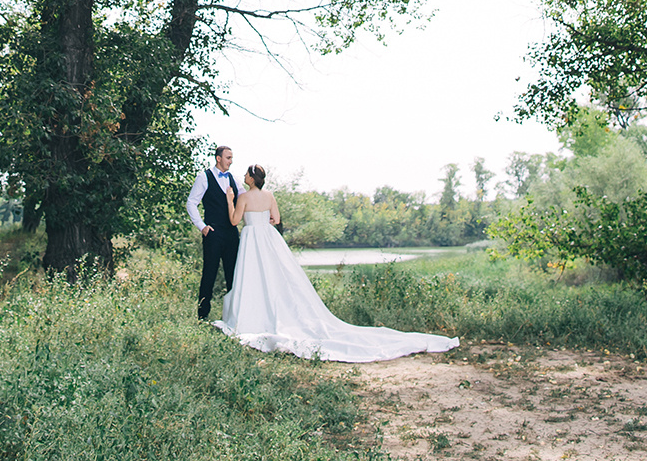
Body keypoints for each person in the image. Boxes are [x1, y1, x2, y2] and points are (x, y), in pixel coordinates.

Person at [215, 164, 459, 363]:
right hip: (269, 239)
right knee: (276, 280)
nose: (244, 176)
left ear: (252, 179)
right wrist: (264, 222)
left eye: (246, 174)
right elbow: (276, 219)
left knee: (253, 280)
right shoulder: (269, 196)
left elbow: (235, 220)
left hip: (251, 240)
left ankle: (253, 316)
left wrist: (229, 200)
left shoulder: (243, 197)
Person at [185, 144, 242, 320]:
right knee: (209, 273)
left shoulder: (234, 179)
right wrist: (202, 226)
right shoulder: (204, 177)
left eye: (231, 158)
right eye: (228, 158)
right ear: (219, 158)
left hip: (232, 234)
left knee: (233, 274)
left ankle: (233, 316)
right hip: (213, 233)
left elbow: (246, 199)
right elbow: (191, 203)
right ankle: (202, 316)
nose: (231, 162)